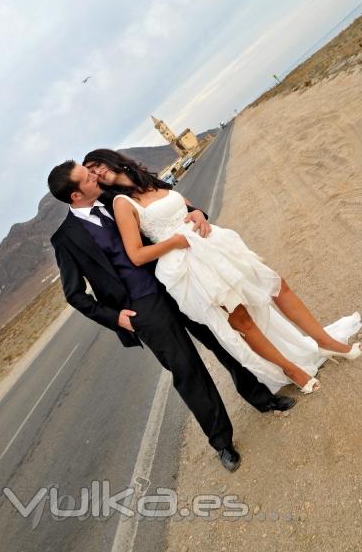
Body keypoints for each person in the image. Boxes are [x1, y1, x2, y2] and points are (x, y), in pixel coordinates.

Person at [47, 160, 296, 473]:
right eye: (86, 178)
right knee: (187, 371)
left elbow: (170, 206)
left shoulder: (117, 199)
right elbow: (75, 294)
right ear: (74, 196)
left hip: (177, 280)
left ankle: (263, 398)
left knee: (223, 340)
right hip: (142, 309)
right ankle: (222, 442)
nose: (94, 176)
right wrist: (116, 318)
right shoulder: (65, 239)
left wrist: (198, 214)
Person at [82, 148, 362, 395]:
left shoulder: (150, 180)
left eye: (97, 165)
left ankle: (324, 341)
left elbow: (188, 206)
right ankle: (291, 370)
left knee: (276, 286)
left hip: (213, 243)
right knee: (240, 320)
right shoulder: (121, 203)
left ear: (111, 159)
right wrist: (175, 242)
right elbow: (136, 255)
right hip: (188, 263)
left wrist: (199, 214)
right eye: (92, 173)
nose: (97, 172)